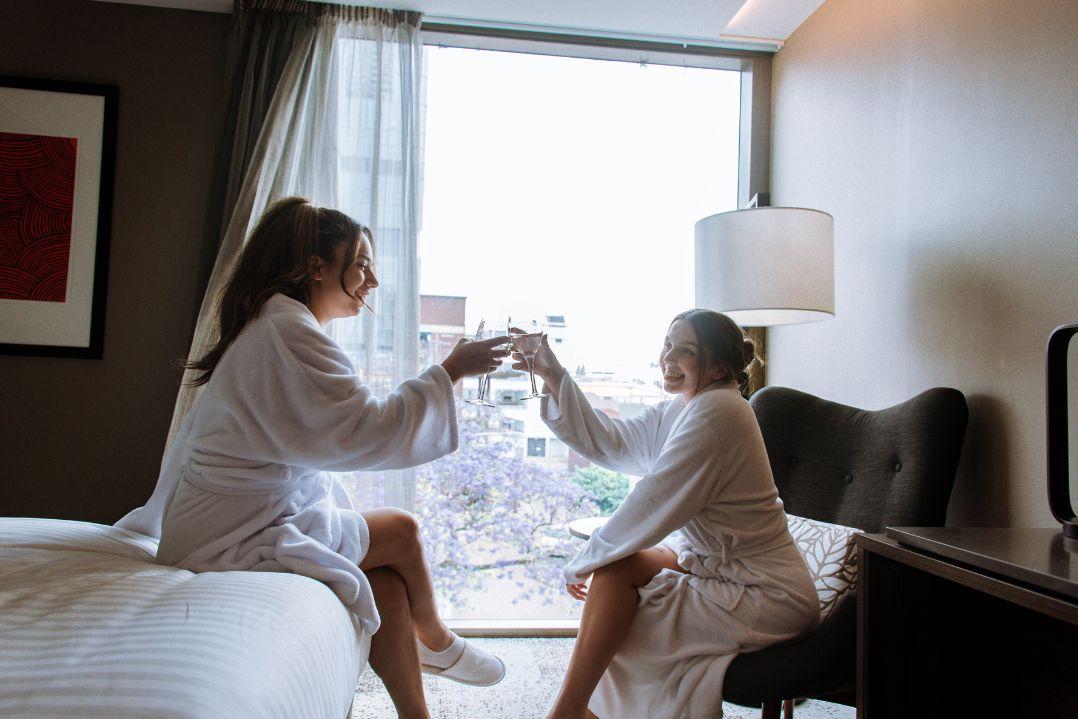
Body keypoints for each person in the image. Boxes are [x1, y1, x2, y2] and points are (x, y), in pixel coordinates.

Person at [116, 197, 507, 719]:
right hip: (228, 538)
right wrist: (450, 371)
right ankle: (436, 641)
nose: (371, 281)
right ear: (315, 266)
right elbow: (367, 429)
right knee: (404, 530)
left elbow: (342, 425)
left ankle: (418, 714)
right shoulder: (286, 331)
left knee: (387, 583)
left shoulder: (277, 325)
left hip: (229, 521)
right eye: (362, 264)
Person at [513, 310, 820, 719]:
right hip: (713, 567)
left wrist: (582, 561)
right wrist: (554, 374)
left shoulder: (722, 413)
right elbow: (612, 442)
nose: (668, 358)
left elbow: (655, 498)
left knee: (627, 609)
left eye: (686, 351)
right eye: (668, 345)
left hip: (767, 592)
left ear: (720, 367)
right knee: (617, 570)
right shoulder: (681, 408)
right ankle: (575, 709)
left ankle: (567, 712)